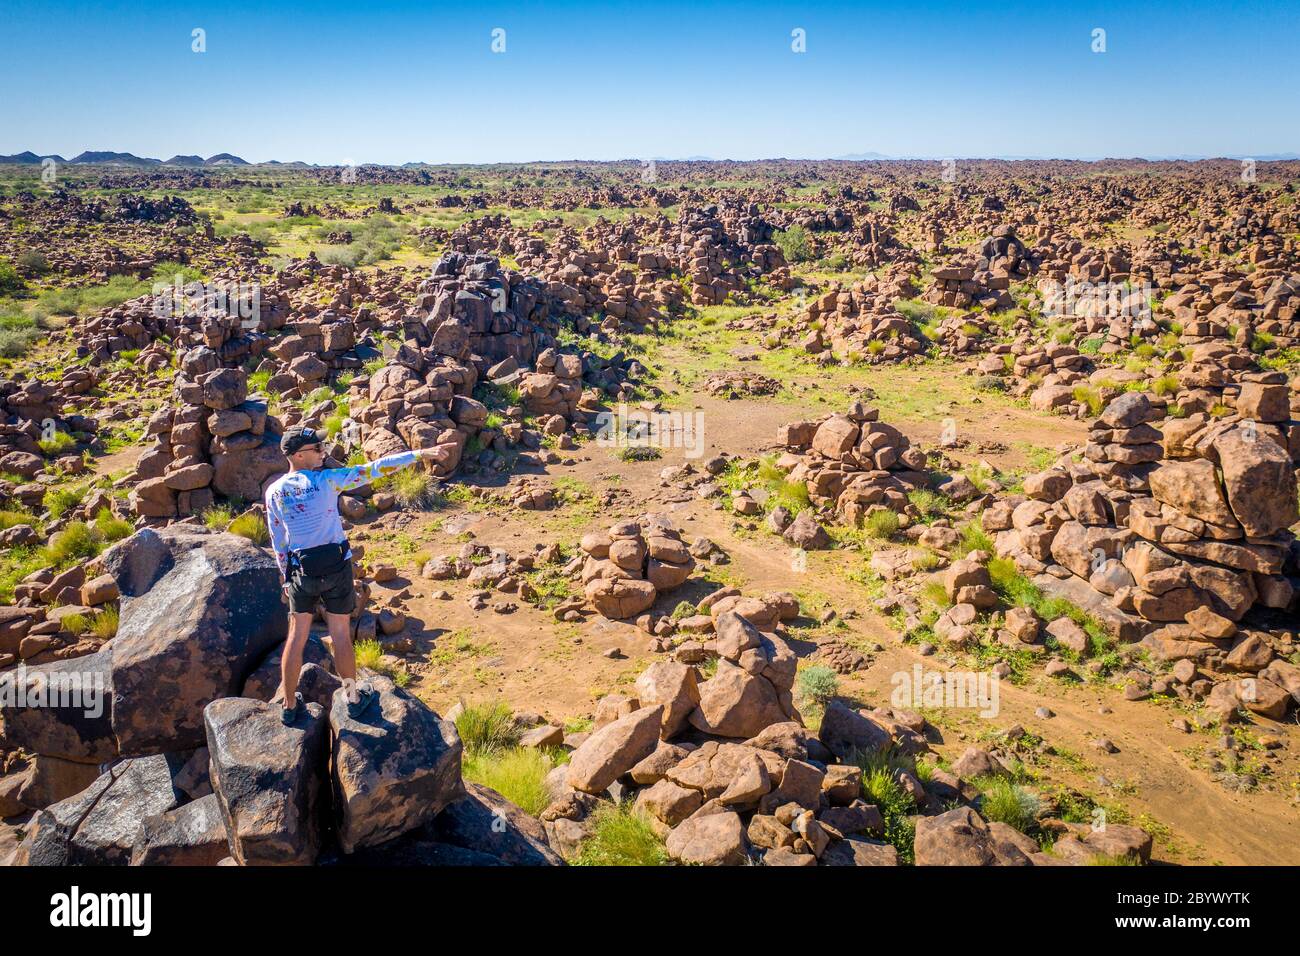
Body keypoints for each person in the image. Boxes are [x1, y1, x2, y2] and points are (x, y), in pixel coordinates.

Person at [265, 425, 440, 724]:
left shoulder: (274, 492)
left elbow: (278, 540)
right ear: (298, 455)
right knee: (341, 634)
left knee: (296, 637)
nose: (323, 452)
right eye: (317, 449)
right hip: (336, 567)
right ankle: (353, 698)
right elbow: (375, 469)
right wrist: (419, 454)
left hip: (301, 572)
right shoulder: (327, 480)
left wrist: (285, 577)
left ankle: (290, 705)